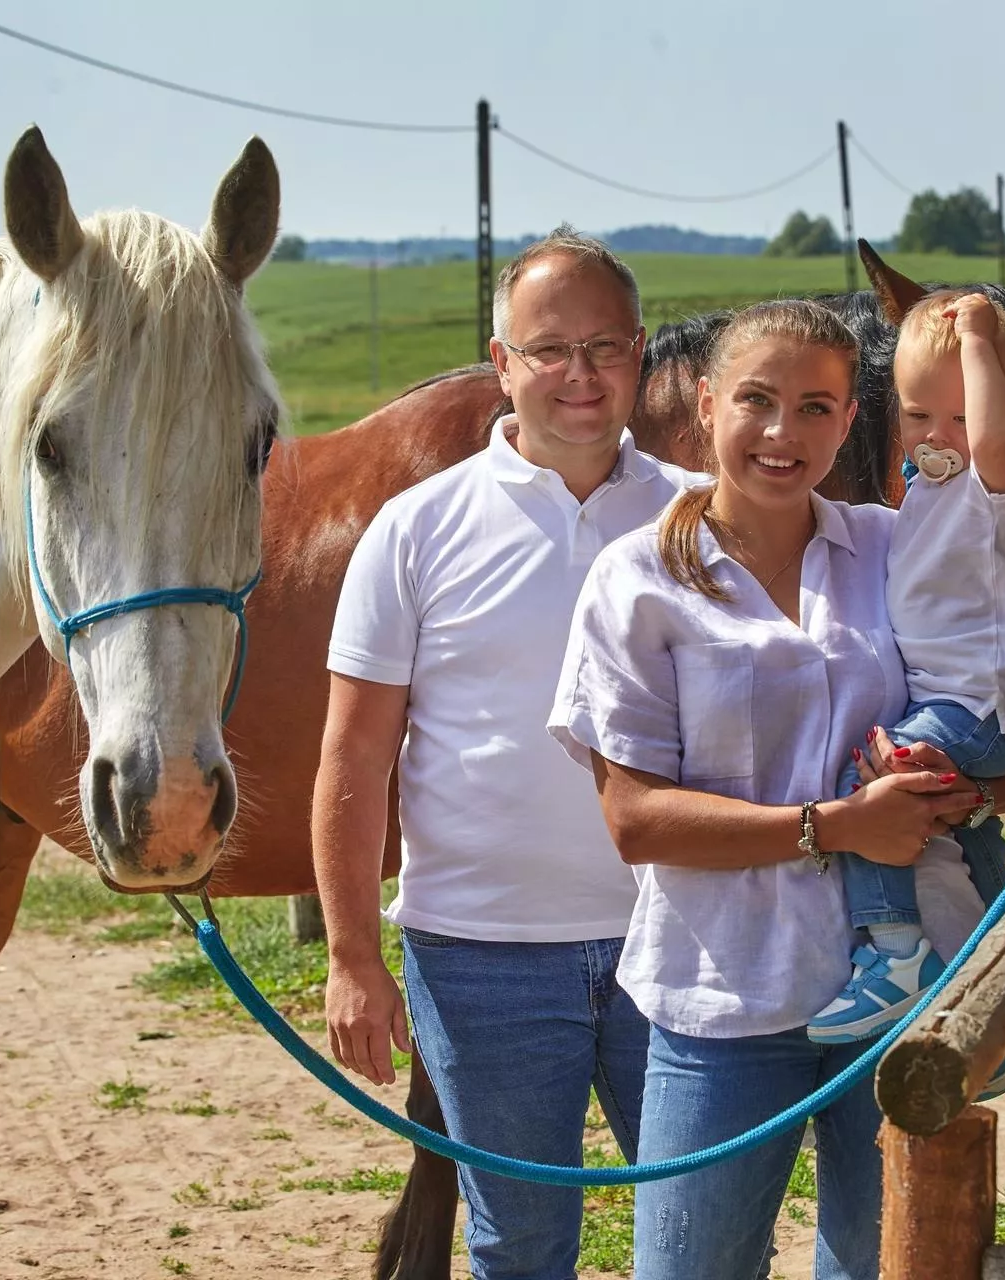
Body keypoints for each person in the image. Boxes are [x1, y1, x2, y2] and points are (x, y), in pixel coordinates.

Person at [549, 299, 1005, 1279]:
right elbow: (635, 817)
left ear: (848, 420)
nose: (785, 433)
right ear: (706, 406)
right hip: (724, 1001)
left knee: (893, 1267)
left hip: (895, 1010)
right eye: (758, 400)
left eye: (817, 407)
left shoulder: (894, 543)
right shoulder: (637, 580)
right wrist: (836, 825)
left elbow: (988, 683)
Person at [312, 228, 698, 1280]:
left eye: (605, 346)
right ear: (502, 363)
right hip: (478, 954)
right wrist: (352, 955)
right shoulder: (412, 529)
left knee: (702, 1237)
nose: (579, 374)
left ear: (642, 355)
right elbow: (353, 757)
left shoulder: (701, 520)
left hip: (676, 944)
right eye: (549, 348)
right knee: (519, 1248)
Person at [807, 293, 1005, 1087]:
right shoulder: (927, 490)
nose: (937, 435)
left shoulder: (999, 481)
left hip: (985, 707)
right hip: (974, 703)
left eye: (959, 418)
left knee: (872, 783)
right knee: (964, 838)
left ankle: (897, 955)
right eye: (918, 413)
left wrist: (984, 339)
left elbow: (993, 433)